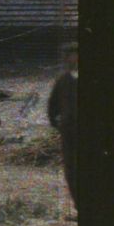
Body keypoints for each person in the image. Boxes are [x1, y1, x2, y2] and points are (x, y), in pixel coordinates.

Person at [48, 39, 79, 214]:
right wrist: (56, 122)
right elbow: (53, 105)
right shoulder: (63, 80)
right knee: (71, 169)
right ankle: (80, 206)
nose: (68, 59)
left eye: (71, 56)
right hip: (69, 132)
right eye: (66, 56)